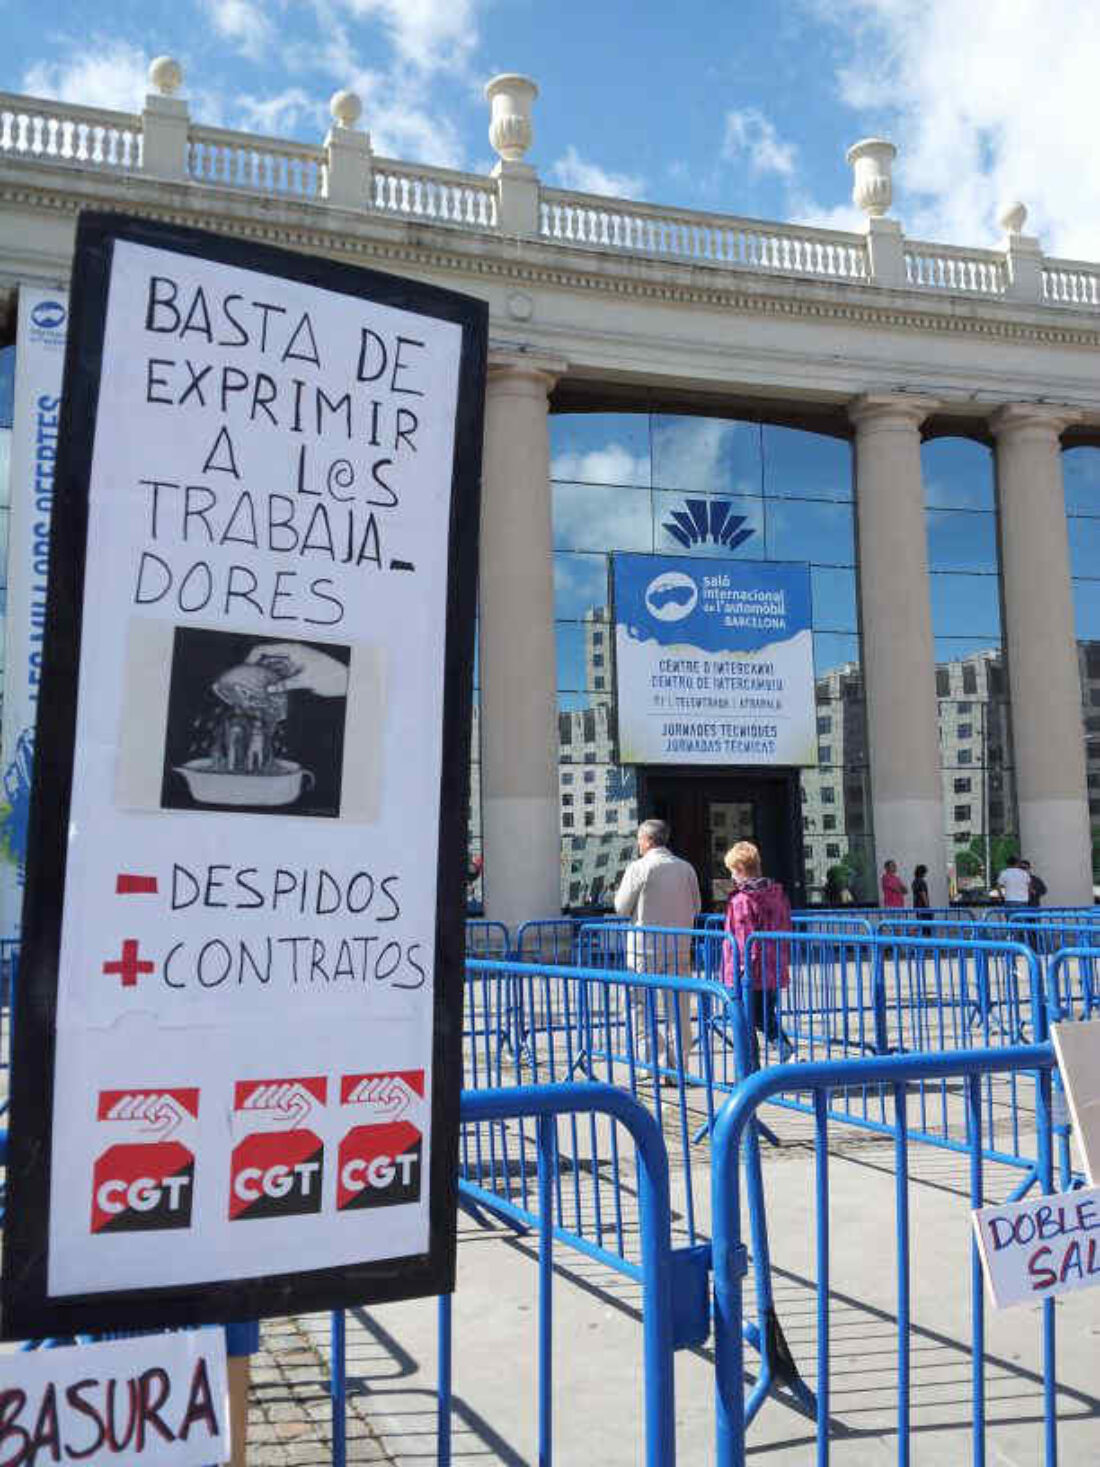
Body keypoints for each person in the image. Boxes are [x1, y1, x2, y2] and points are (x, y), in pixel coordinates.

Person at [614, 819, 700, 1072]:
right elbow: (697, 906)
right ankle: (679, 1065)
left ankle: (655, 1060)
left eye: (639, 839)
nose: (638, 844)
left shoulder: (639, 868)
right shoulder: (686, 868)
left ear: (648, 840)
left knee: (638, 1007)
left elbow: (620, 907)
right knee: (679, 1008)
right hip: (680, 945)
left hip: (644, 947)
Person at [722, 840, 794, 1065]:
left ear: (741, 870)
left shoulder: (742, 900)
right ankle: (787, 1055)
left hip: (748, 972)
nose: (732, 876)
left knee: (744, 1020)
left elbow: (744, 937)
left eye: (732, 871)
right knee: (765, 1017)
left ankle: (751, 1069)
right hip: (773, 966)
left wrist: (741, 968)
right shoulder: (777, 894)